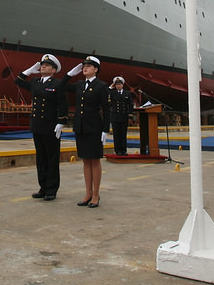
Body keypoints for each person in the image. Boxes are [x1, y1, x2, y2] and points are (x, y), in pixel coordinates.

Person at [13, 53, 71, 201]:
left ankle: (52, 189)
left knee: (52, 158)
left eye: (47, 65)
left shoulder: (57, 84)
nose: (43, 66)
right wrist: (28, 71)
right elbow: (18, 81)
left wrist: (61, 122)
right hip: (37, 125)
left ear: (53, 70)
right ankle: (43, 187)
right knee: (41, 158)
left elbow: (63, 104)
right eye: (42, 65)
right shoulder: (35, 82)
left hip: (51, 126)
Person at [65, 56, 109, 208]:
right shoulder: (79, 84)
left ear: (96, 69)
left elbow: (107, 109)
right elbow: (61, 86)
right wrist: (70, 74)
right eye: (84, 66)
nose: (85, 68)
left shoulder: (101, 86)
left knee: (95, 160)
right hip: (81, 127)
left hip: (94, 127)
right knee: (85, 160)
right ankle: (87, 193)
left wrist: (105, 130)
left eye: (89, 66)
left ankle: (96, 194)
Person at [108, 76, 134, 156]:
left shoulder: (127, 93)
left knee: (123, 134)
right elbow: (106, 95)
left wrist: (130, 116)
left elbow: (130, 105)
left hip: (124, 116)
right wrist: (110, 87)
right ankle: (117, 150)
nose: (118, 86)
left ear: (123, 85)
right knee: (116, 134)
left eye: (120, 84)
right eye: (117, 84)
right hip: (115, 117)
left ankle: (124, 150)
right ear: (115, 85)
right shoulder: (112, 93)